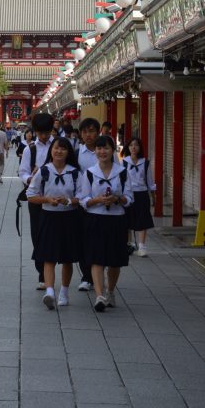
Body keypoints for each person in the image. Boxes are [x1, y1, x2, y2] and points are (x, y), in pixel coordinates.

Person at [77, 135, 134, 312]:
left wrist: (117, 199)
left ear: (113, 150)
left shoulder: (123, 172)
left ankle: (110, 291)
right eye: (99, 148)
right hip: (95, 219)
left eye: (106, 148)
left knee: (115, 261)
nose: (102, 152)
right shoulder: (89, 173)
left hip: (117, 220)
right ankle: (99, 295)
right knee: (97, 258)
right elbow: (83, 199)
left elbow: (130, 198)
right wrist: (97, 200)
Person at [26, 137, 81, 309]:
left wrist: (69, 201)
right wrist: (47, 199)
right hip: (48, 217)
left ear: (68, 152)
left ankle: (64, 291)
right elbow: (30, 194)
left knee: (67, 259)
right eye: (56, 148)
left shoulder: (74, 172)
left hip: (69, 219)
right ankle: (50, 292)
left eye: (63, 149)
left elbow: (83, 196)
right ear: (51, 150)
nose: (59, 151)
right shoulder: (43, 171)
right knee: (48, 257)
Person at [76, 116, 120, 292]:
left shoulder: (108, 151)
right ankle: (87, 276)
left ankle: (104, 276)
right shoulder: (77, 152)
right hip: (84, 202)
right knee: (84, 240)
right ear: (81, 134)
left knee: (105, 242)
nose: (89, 135)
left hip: (107, 205)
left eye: (92, 131)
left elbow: (118, 172)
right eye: (85, 132)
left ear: (98, 131)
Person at [19, 112, 55, 290]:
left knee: (53, 236)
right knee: (37, 235)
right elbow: (23, 172)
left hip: (55, 198)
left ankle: (49, 271)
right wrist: (30, 178)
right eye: (41, 132)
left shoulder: (58, 146)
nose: (44, 136)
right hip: (36, 198)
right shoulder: (30, 149)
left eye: (47, 132)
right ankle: (42, 272)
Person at [122, 136, 156, 256]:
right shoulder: (124, 162)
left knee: (142, 220)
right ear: (128, 147)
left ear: (140, 147)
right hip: (128, 194)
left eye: (136, 145)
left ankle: (142, 246)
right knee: (127, 220)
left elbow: (150, 181)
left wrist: (153, 196)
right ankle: (129, 244)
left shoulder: (145, 162)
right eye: (131, 145)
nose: (133, 147)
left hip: (142, 194)